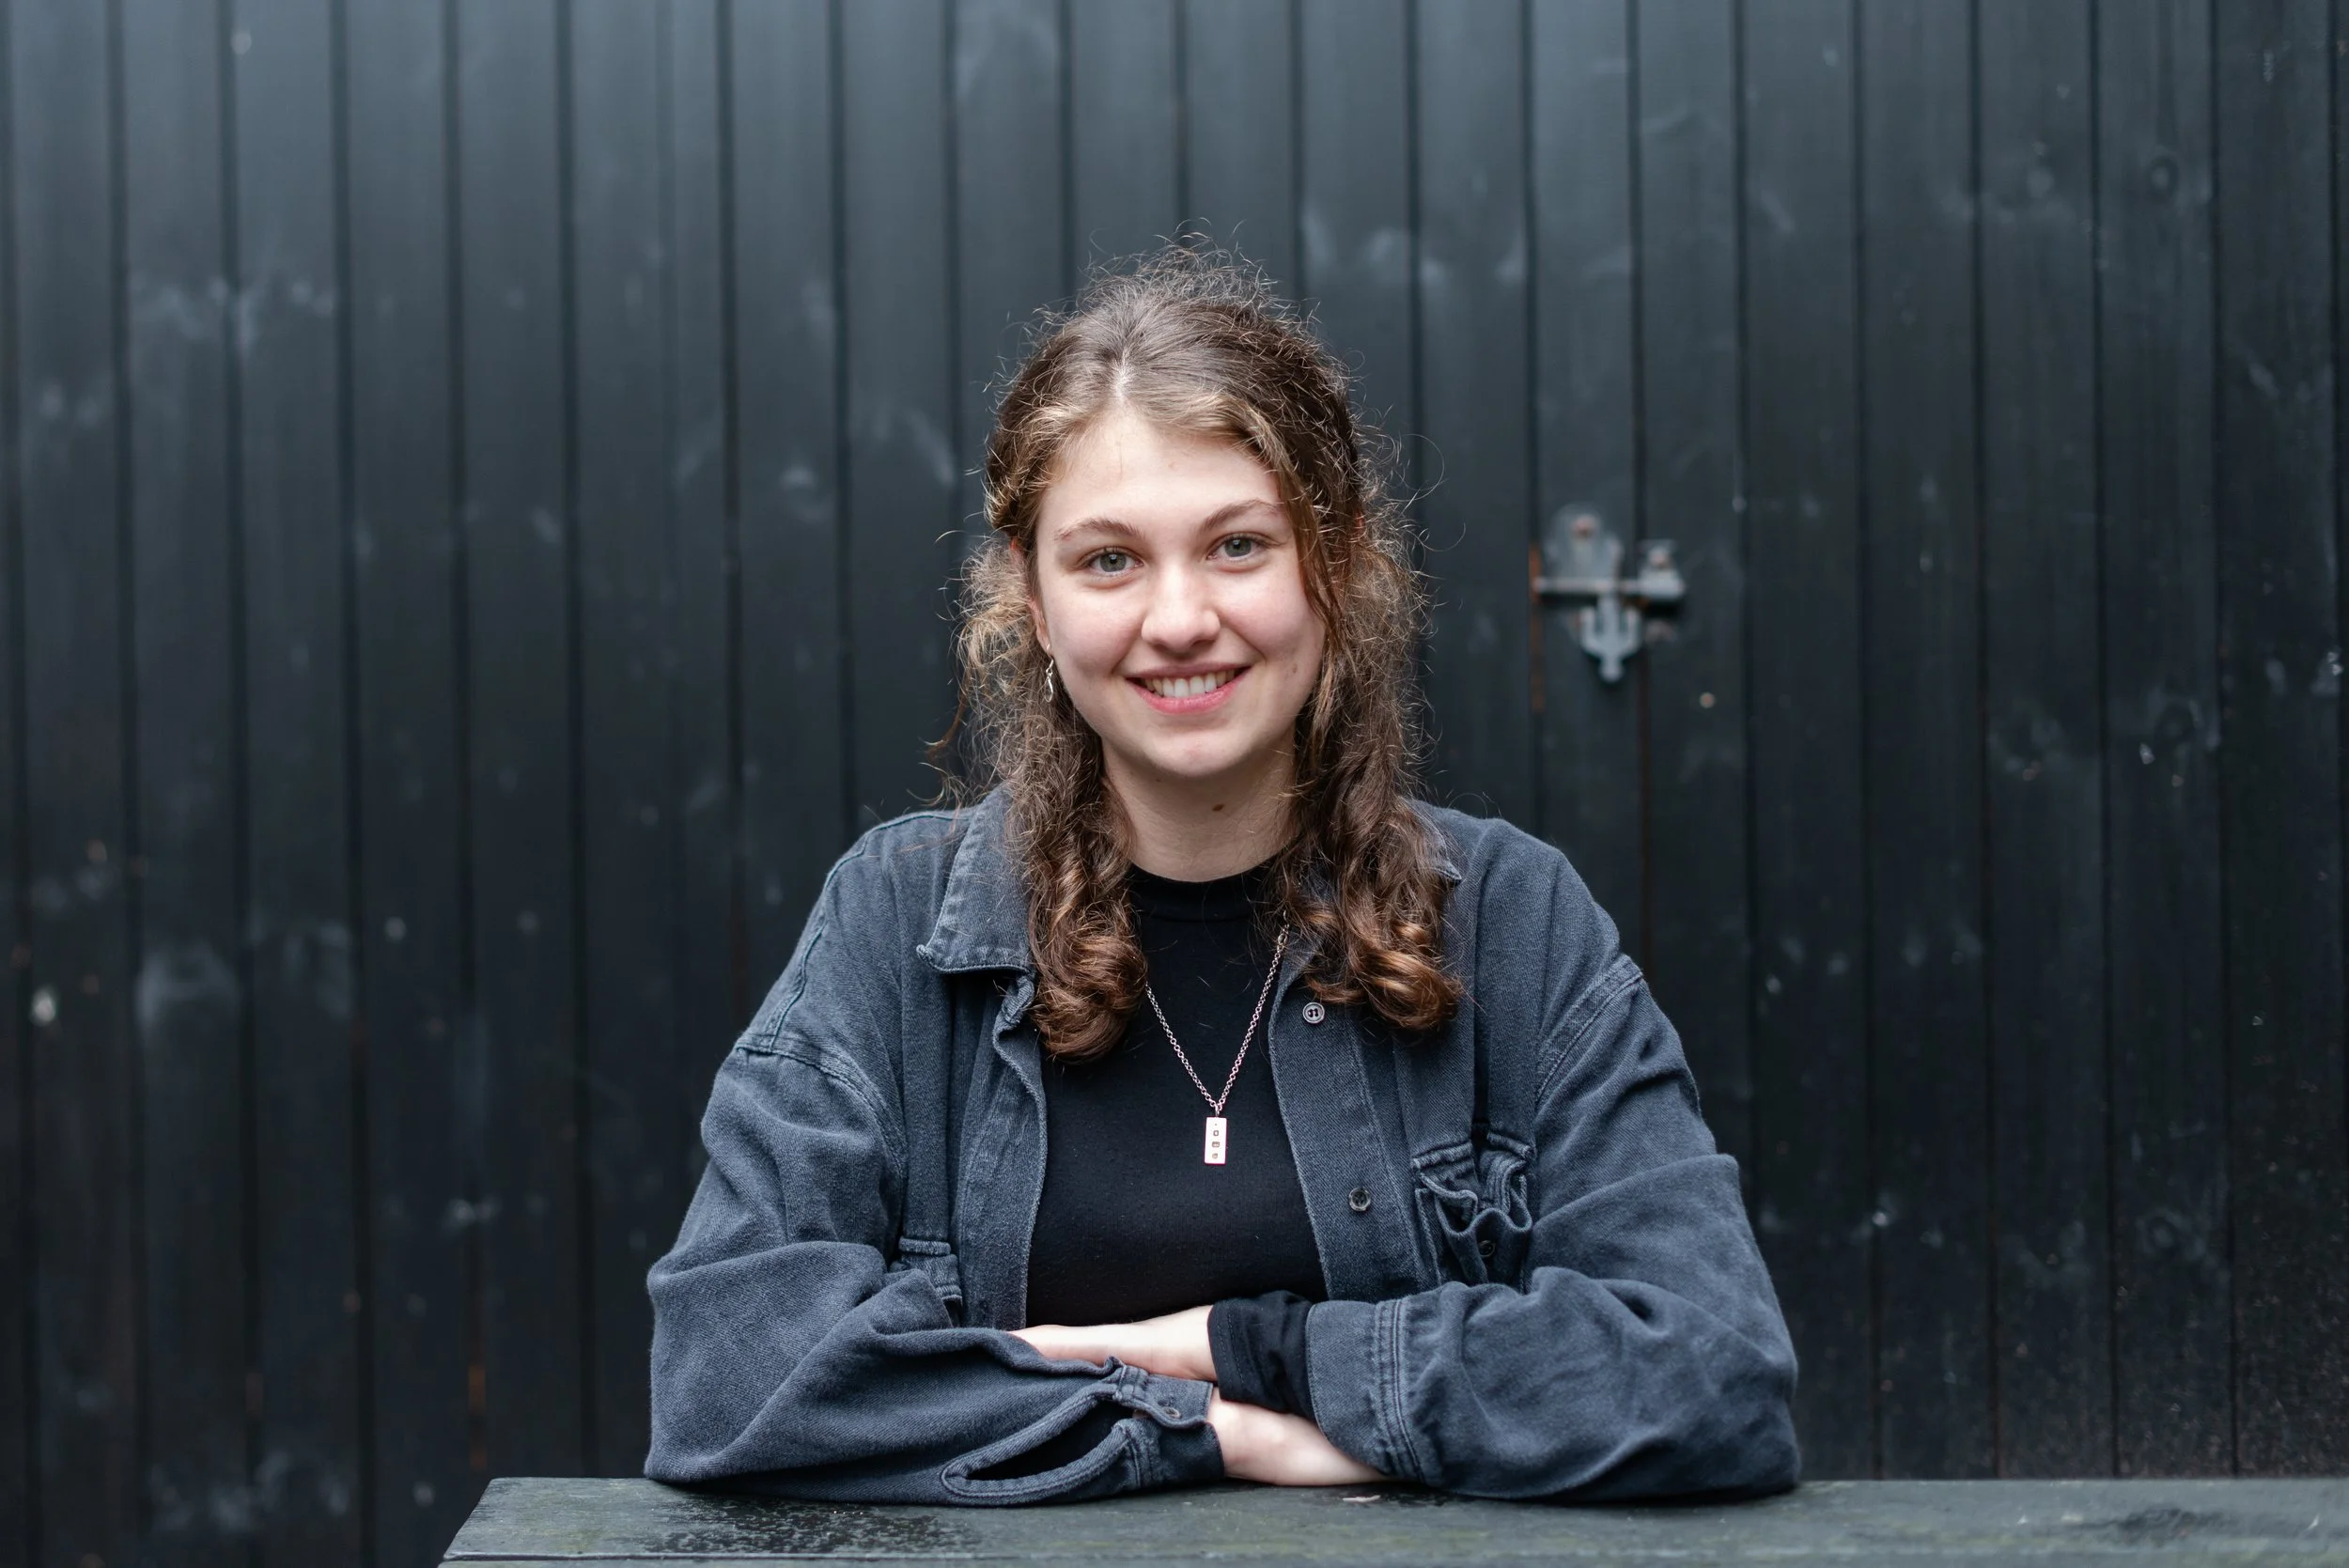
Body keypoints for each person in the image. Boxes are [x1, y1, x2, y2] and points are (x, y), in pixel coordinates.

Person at [644, 251, 1798, 1504]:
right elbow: (728, 1377)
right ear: (1032, 596)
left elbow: (1711, 1368)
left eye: (1238, 545)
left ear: (1334, 560)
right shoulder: (898, 925)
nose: (1180, 618)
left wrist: (1248, 1347)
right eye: (1109, 561)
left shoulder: (1510, 920)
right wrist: (1211, 1431)